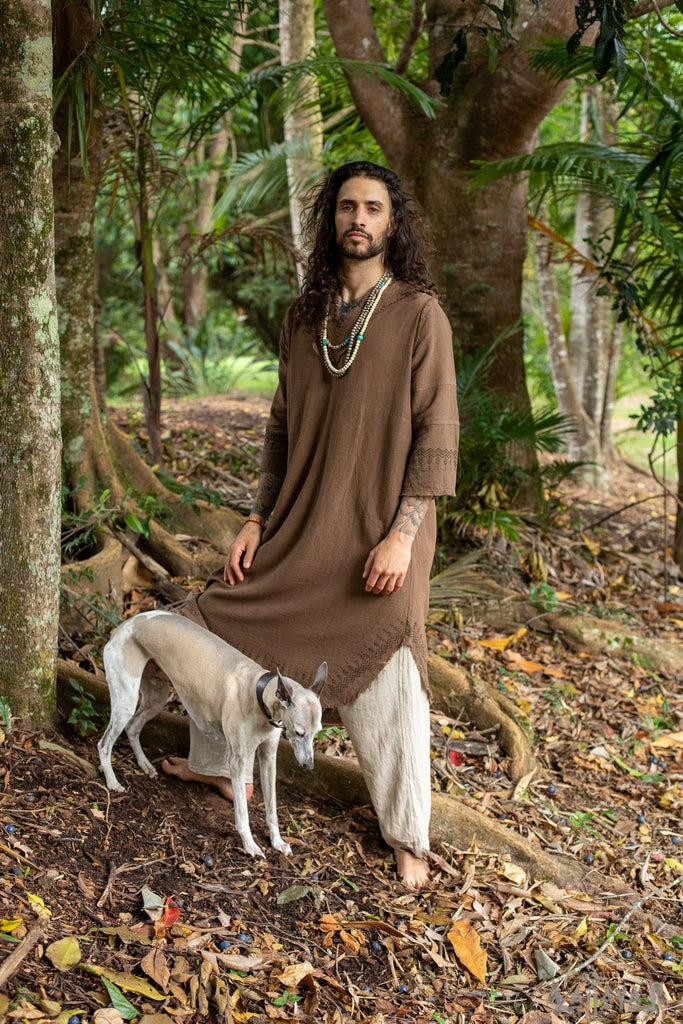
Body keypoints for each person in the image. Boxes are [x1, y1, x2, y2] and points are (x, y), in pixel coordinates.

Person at [163, 161, 459, 889]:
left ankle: (408, 837)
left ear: (393, 223)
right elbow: (281, 429)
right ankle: (221, 769)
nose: (359, 219)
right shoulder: (306, 318)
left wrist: (402, 536)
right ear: (331, 219)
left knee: (392, 674)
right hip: (299, 528)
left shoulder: (419, 313)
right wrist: (255, 520)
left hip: (380, 535)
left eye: (374, 208)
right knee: (216, 616)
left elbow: (436, 431)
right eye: (347, 207)